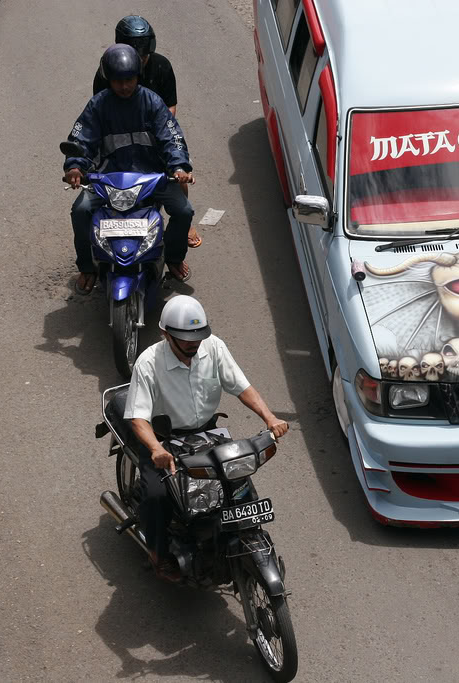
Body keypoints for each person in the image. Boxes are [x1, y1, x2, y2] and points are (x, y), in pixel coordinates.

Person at [124, 295, 290, 580]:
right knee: (156, 496)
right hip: (164, 441)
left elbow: (242, 387)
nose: (194, 343)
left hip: (209, 435)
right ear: (166, 334)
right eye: (186, 338)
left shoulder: (214, 348)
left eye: (197, 336)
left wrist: (269, 417)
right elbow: (138, 417)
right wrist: (154, 449)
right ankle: (157, 554)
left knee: (238, 486)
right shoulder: (148, 363)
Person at [64, 44, 195, 294]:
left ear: (138, 76)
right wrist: (75, 167)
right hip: (107, 180)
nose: (124, 86)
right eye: (118, 81)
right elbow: (80, 141)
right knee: (80, 210)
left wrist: (178, 166)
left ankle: (174, 257)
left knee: (183, 210)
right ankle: (87, 267)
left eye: (129, 79)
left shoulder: (152, 102)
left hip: (150, 179)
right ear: (108, 80)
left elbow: (172, 137)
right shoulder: (98, 105)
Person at [91, 15, 202, 249]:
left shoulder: (161, 67)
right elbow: (98, 117)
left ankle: (182, 227)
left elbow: (171, 106)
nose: (125, 85)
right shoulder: (105, 74)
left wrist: (160, 133)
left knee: (179, 180)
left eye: (143, 55)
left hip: (156, 135)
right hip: (119, 138)